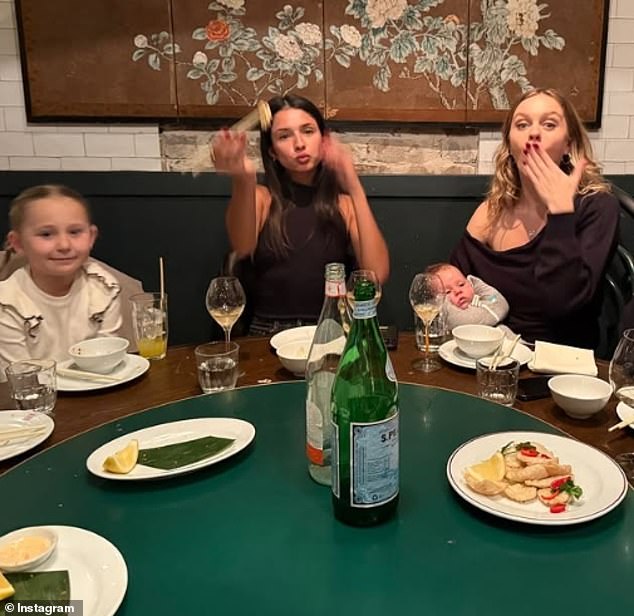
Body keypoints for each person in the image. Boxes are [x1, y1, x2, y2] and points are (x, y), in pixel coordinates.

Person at [451, 88, 619, 349]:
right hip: (491, 356)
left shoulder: (597, 206)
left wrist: (560, 213)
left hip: (562, 361)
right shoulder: (491, 210)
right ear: (509, 144)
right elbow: (453, 286)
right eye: (522, 124)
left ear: (568, 144)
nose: (534, 133)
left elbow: (563, 307)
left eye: (549, 124)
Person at [211, 94, 389, 335]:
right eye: (284, 136)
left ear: (323, 140)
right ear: (272, 151)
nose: (299, 144)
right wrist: (243, 179)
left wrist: (354, 185)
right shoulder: (262, 198)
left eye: (308, 131)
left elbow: (377, 274)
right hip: (267, 332)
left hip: (331, 328)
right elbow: (242, 245)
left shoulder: (344, 205)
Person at [0, 185, 122, 379]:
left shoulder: (105, 288)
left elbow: (106, 361)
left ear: (91, 237)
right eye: (46, 234)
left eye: (75, 232)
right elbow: (20, 380)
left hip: (96, 388)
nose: (64, 245)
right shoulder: (7, 303)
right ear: (18, 243)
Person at [426, 262, 509, 330]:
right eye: (447, 292)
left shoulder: (482, 298)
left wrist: (475, 283)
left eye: (461, 284)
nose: (458, 291)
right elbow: (463, 321)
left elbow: (498, 302)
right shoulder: (447, 316)